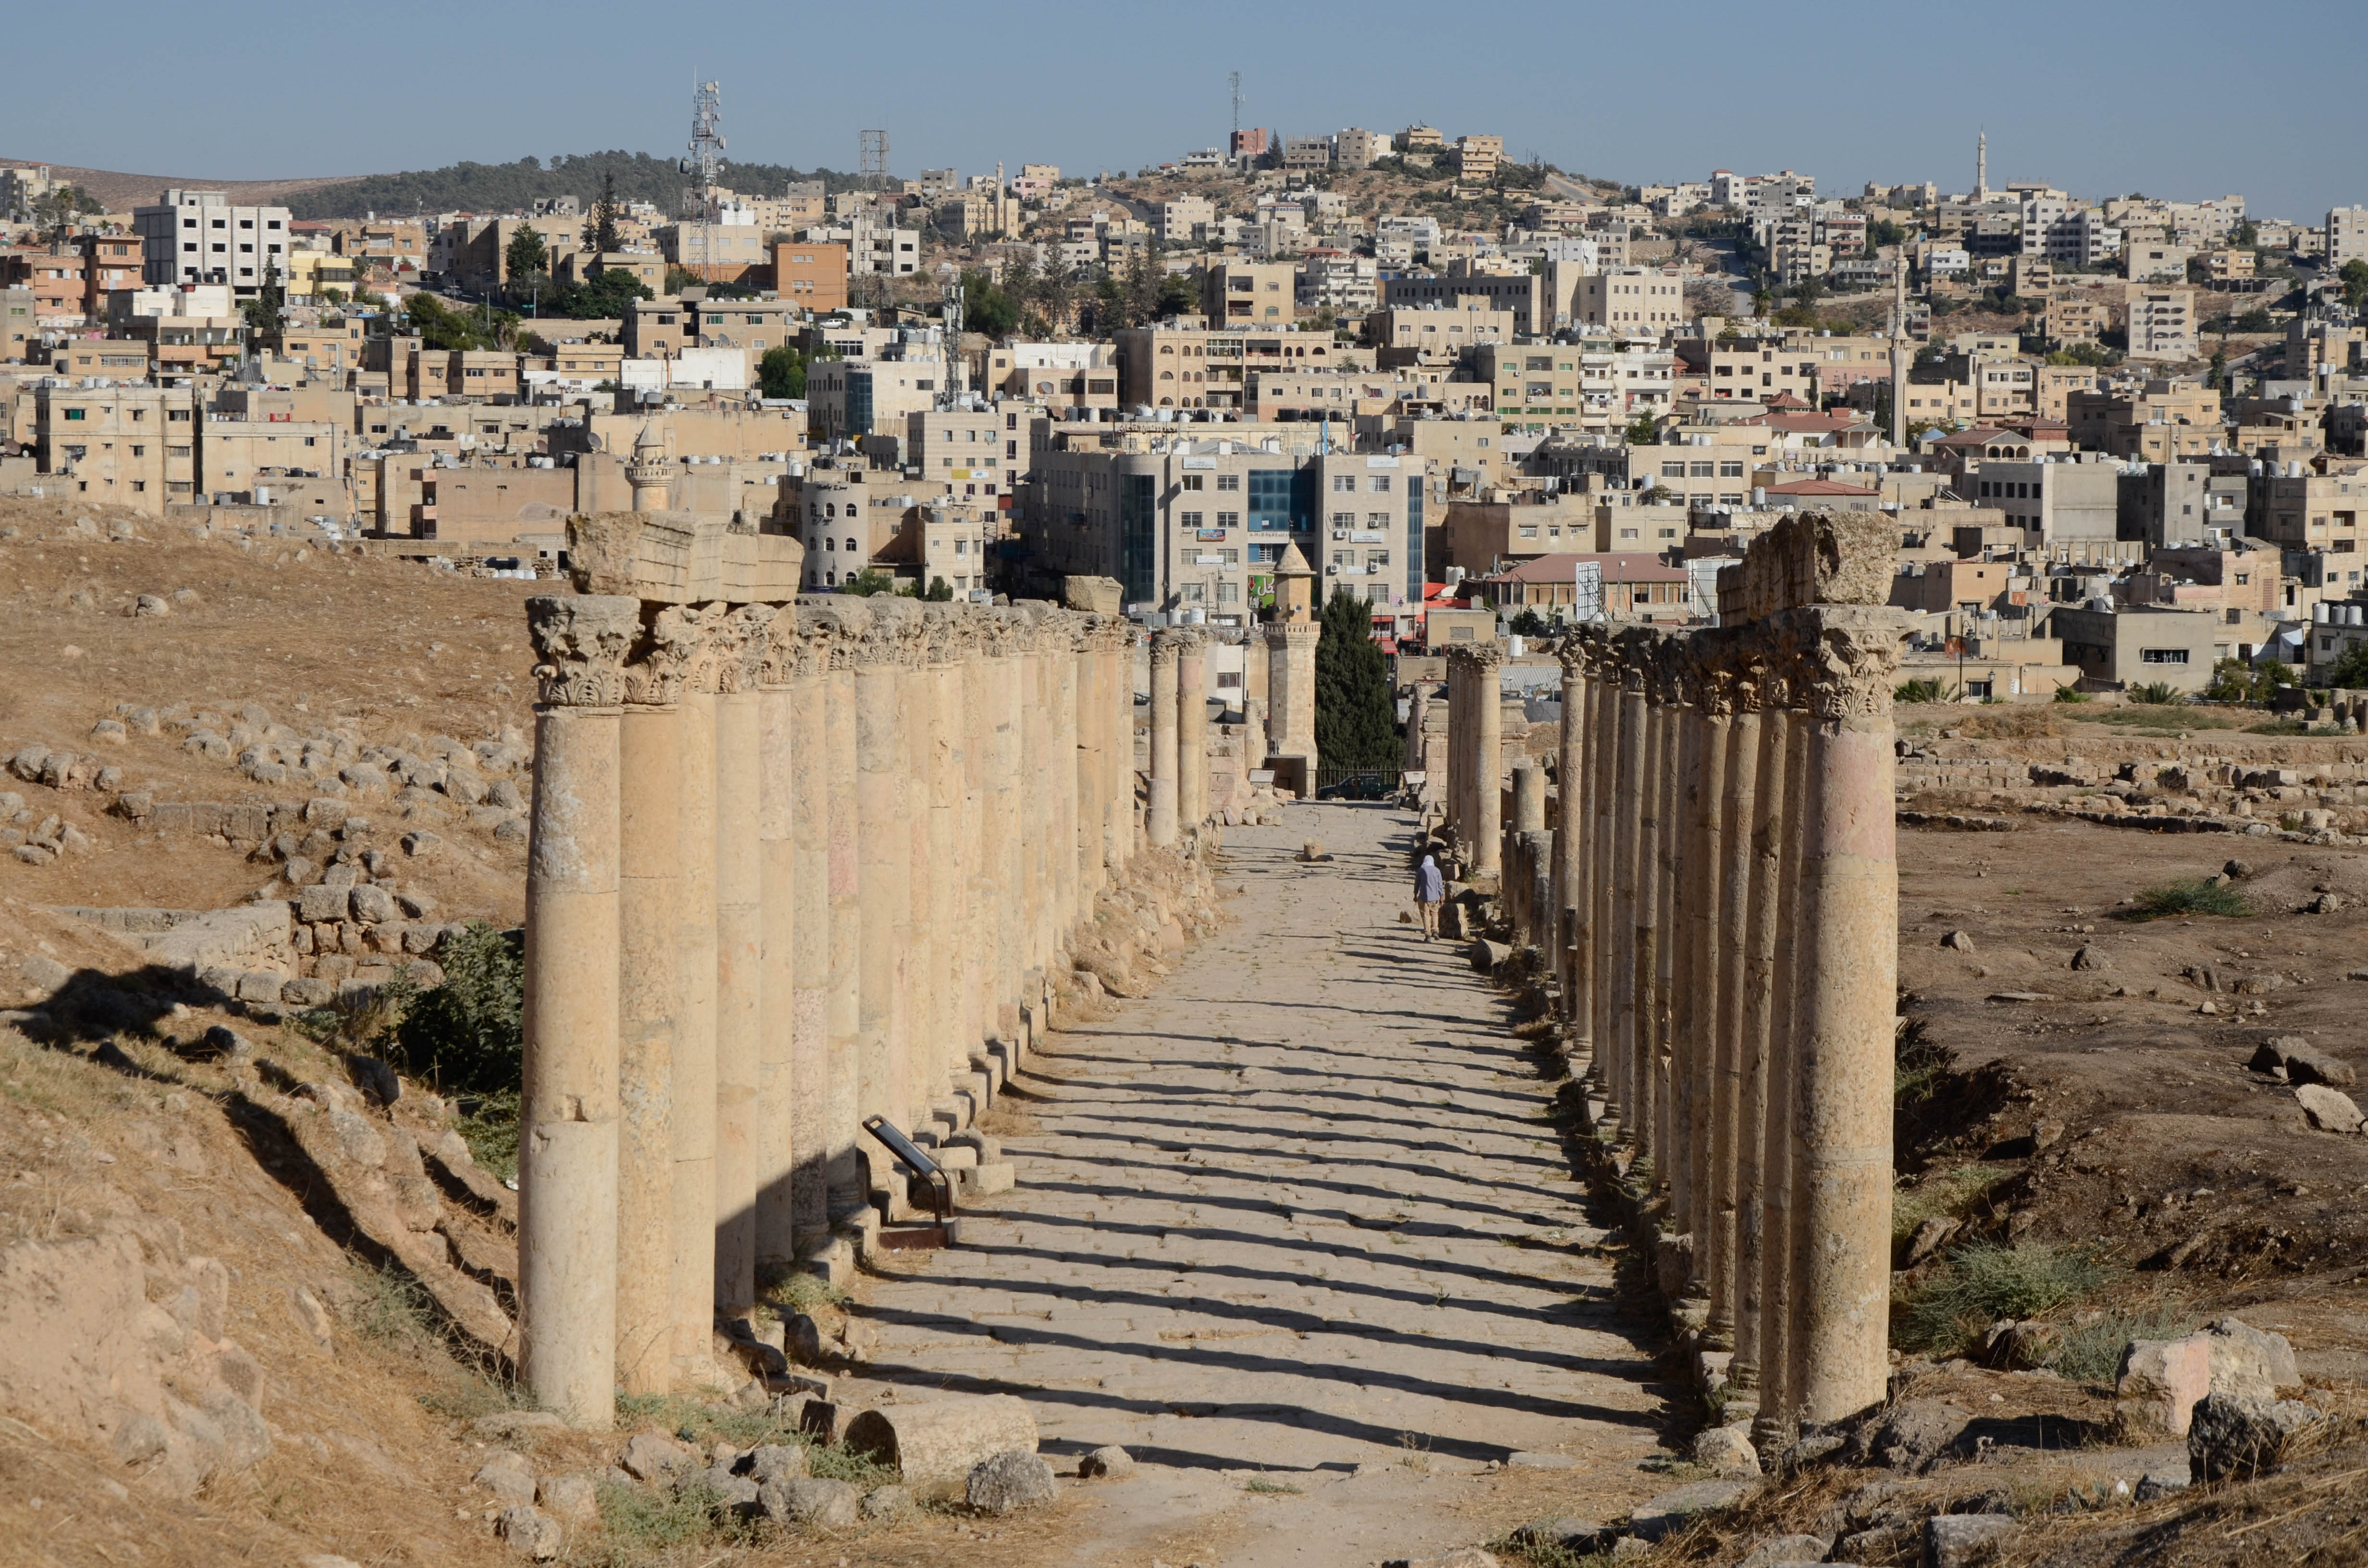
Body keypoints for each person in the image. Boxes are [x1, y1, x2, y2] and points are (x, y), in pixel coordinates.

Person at [1413, 852, 1445, 940]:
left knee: (1425, 916)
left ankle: (1428, 935)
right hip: (1435, 897)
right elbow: (1440, 886)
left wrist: (1415, 895)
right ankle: (1435, 931)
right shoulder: (1437, 871)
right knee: (1434, 914)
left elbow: (1417, 885)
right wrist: (1441, 897)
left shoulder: (1421, 870)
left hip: (1423, 897)